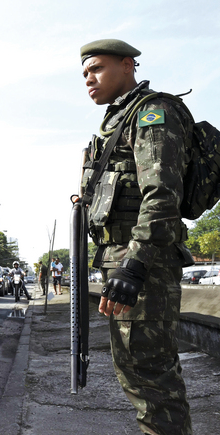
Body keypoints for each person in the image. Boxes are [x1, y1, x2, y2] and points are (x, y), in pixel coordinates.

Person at [80, 39, 193, 434]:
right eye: (84, 74)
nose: (88, 79)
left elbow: (162, 194)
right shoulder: (117, 121)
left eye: (96, 68)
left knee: (151, 377)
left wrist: (135, 266)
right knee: (137, 373)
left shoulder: (151, 112)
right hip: (125, 261)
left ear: (127, 64)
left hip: (146, 264)